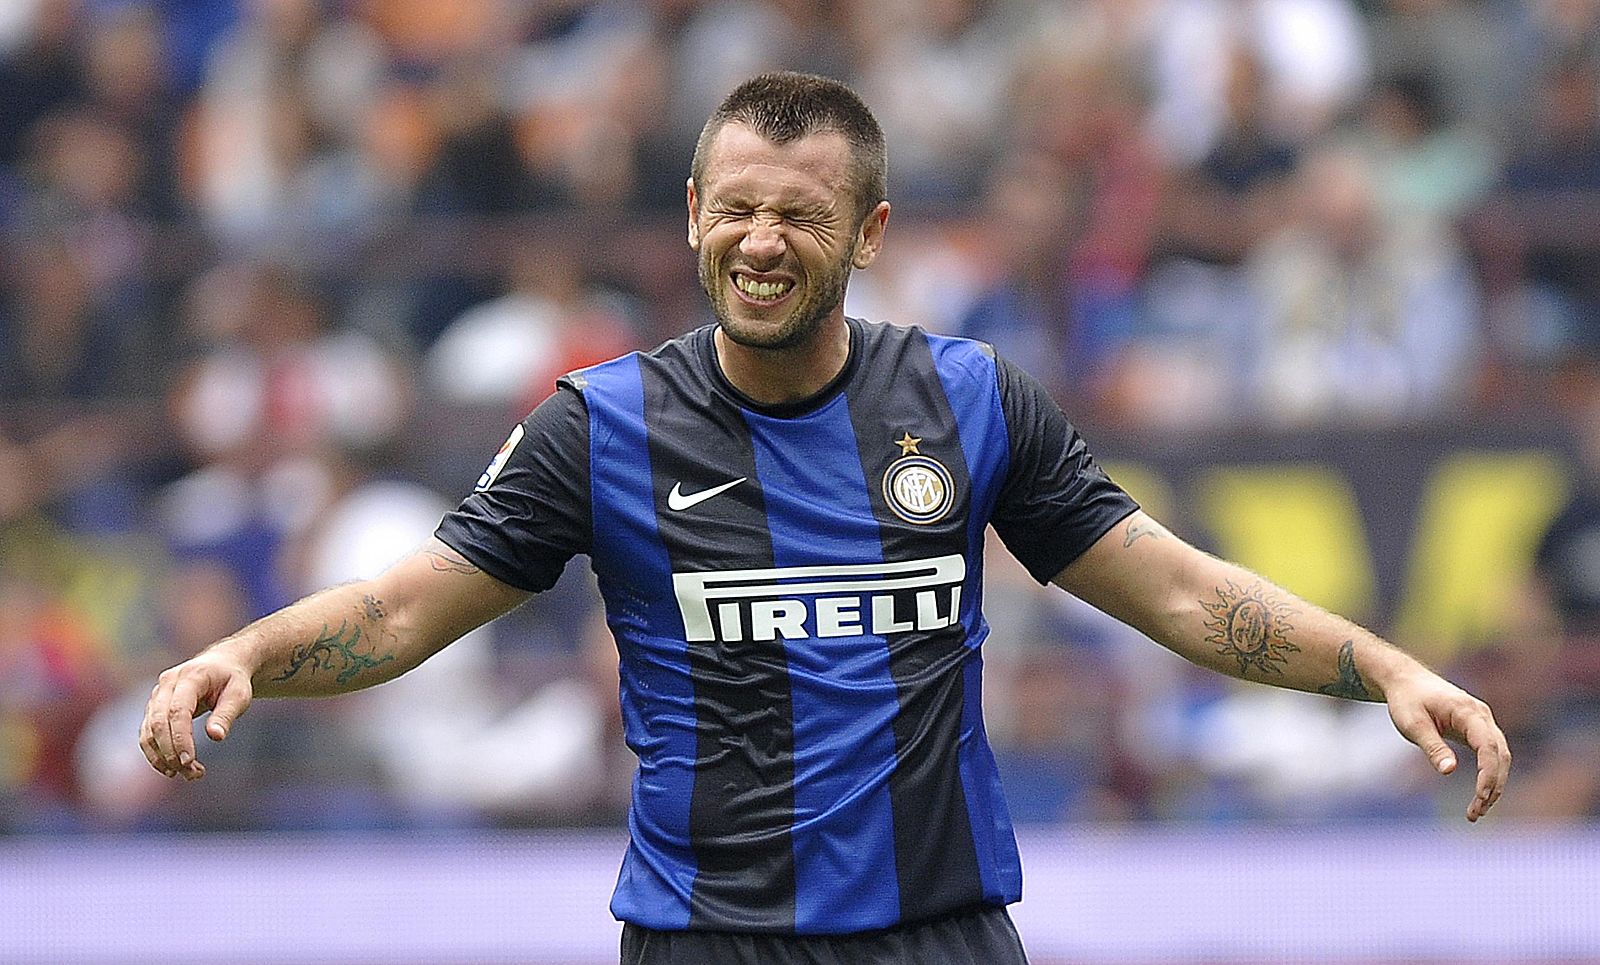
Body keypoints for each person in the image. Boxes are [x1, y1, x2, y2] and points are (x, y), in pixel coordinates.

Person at [141, 72, 1510, 965]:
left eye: (799, 213)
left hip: (942, 936)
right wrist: (245, 653)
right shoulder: (599, 424)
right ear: (689, 215)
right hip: (706, 941)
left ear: (867, 232)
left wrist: (1379, 665)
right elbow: (397, 610)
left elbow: (1175, 591)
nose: (760, 240)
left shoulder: (966, 399)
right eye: (734, 207)